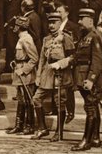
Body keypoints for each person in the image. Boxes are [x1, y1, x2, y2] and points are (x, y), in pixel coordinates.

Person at [31, 12, 75, 141]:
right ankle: (42, 128)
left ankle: (59, 132)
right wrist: (38, 75)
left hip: (60, 74)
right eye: (49, 23)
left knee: (59, 103)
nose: (51, 25)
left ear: (60, 23)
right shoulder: (46, 39)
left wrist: (61, 63)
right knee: (36, 99)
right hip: (47, 73)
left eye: (54, 23)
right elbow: (41, 60)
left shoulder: (66, 37)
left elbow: (73, 57)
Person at [70, 8, 102, 151]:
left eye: (81, 19)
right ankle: (95, 138)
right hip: (82, 75)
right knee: (92, 106)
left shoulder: (94, 36)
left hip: (89, 78)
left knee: (90, 108)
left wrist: (91, 79)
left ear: (90, 20)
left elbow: (98, 60)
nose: (78, 22)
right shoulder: (85, 35)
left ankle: (86, 141)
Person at [6, 16, 38, 135]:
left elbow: (34, 58)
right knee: (21, 100)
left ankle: (29, 126)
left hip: (26, 75)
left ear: (19, 27)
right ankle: (19, 125)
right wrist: (16, 62)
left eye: (16, 25)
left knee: (28, 100)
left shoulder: (26, 39)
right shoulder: (21, 38)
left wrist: (24, 69)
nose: (14, 27)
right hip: (19, 71)